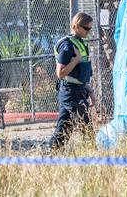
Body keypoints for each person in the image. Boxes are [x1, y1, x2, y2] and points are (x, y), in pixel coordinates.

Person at [49, 12, 96, 149]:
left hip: (80, 90)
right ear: (76, 26)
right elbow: (60, 73)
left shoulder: (80, 43)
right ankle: (92, 153)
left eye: (90, 29)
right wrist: (75, 60)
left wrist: (90, 90)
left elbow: (81, 74)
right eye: (86, 28)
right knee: (86, 127)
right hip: (70, 92)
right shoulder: (67, 45)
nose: (88, 31)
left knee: (65, 128)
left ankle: (53, 153)